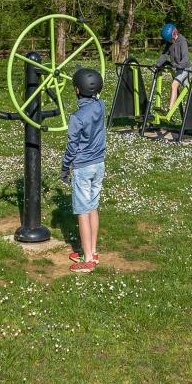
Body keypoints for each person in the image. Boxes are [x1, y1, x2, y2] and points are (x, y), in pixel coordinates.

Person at [60, 68, 106, 273]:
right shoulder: (101, 106)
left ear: (77, 90)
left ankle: (87, 260)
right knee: (93, 206)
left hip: (82, 167)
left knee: (83, 211)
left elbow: (72, 146)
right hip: (99, 164)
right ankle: (93, 251)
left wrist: (64, 167)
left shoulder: (76, 117)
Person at [155, 23, 192, 111]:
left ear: (174, 34)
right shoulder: (169, 43)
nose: (169, 42)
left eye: (170, 40)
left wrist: (178, 66)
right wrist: (157, 65)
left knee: (174, 85)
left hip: (184, 68)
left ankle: (170, 111)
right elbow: (164, 55)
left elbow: (185, 58)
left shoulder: (182, 41)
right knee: (189, 88)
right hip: (178, 69)